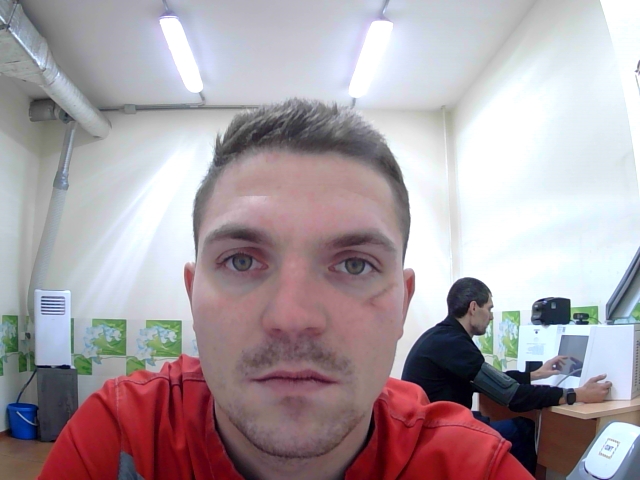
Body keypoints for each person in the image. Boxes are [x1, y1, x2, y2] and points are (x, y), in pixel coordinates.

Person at [39, 100, 533, 479]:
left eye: (355, 264)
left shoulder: (470, 468)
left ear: (403, 303)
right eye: (241, 260)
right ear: (193, 294)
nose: (292, 317)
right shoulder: (123, 439)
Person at [402, 276, 612, 474]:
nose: (492, 316)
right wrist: (576, 394)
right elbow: (514, 397)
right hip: (437, 436)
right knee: (523, 429)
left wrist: (535, 374)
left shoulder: (441, 337)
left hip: (425, 432)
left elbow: (491, 379)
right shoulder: (454, 344)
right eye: (489, 308)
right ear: (473, 307)